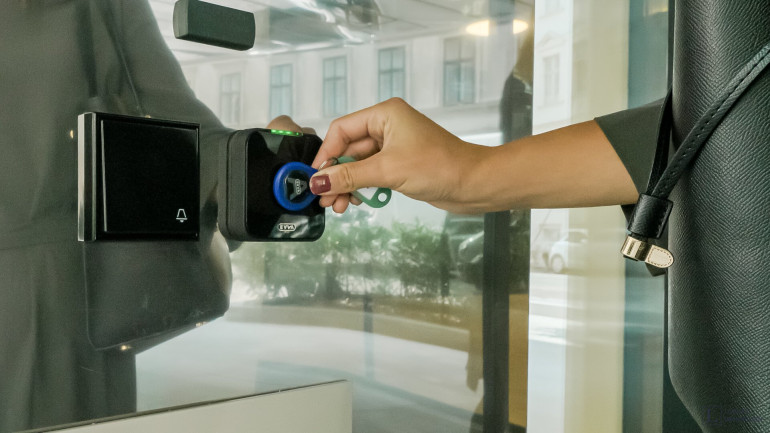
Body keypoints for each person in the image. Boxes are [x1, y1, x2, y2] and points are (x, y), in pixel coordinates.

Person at [0, 1, 231, 431]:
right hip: (61, 304)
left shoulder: (101, 6)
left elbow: (192, 141)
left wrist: (263, 166)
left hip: (66, 310)